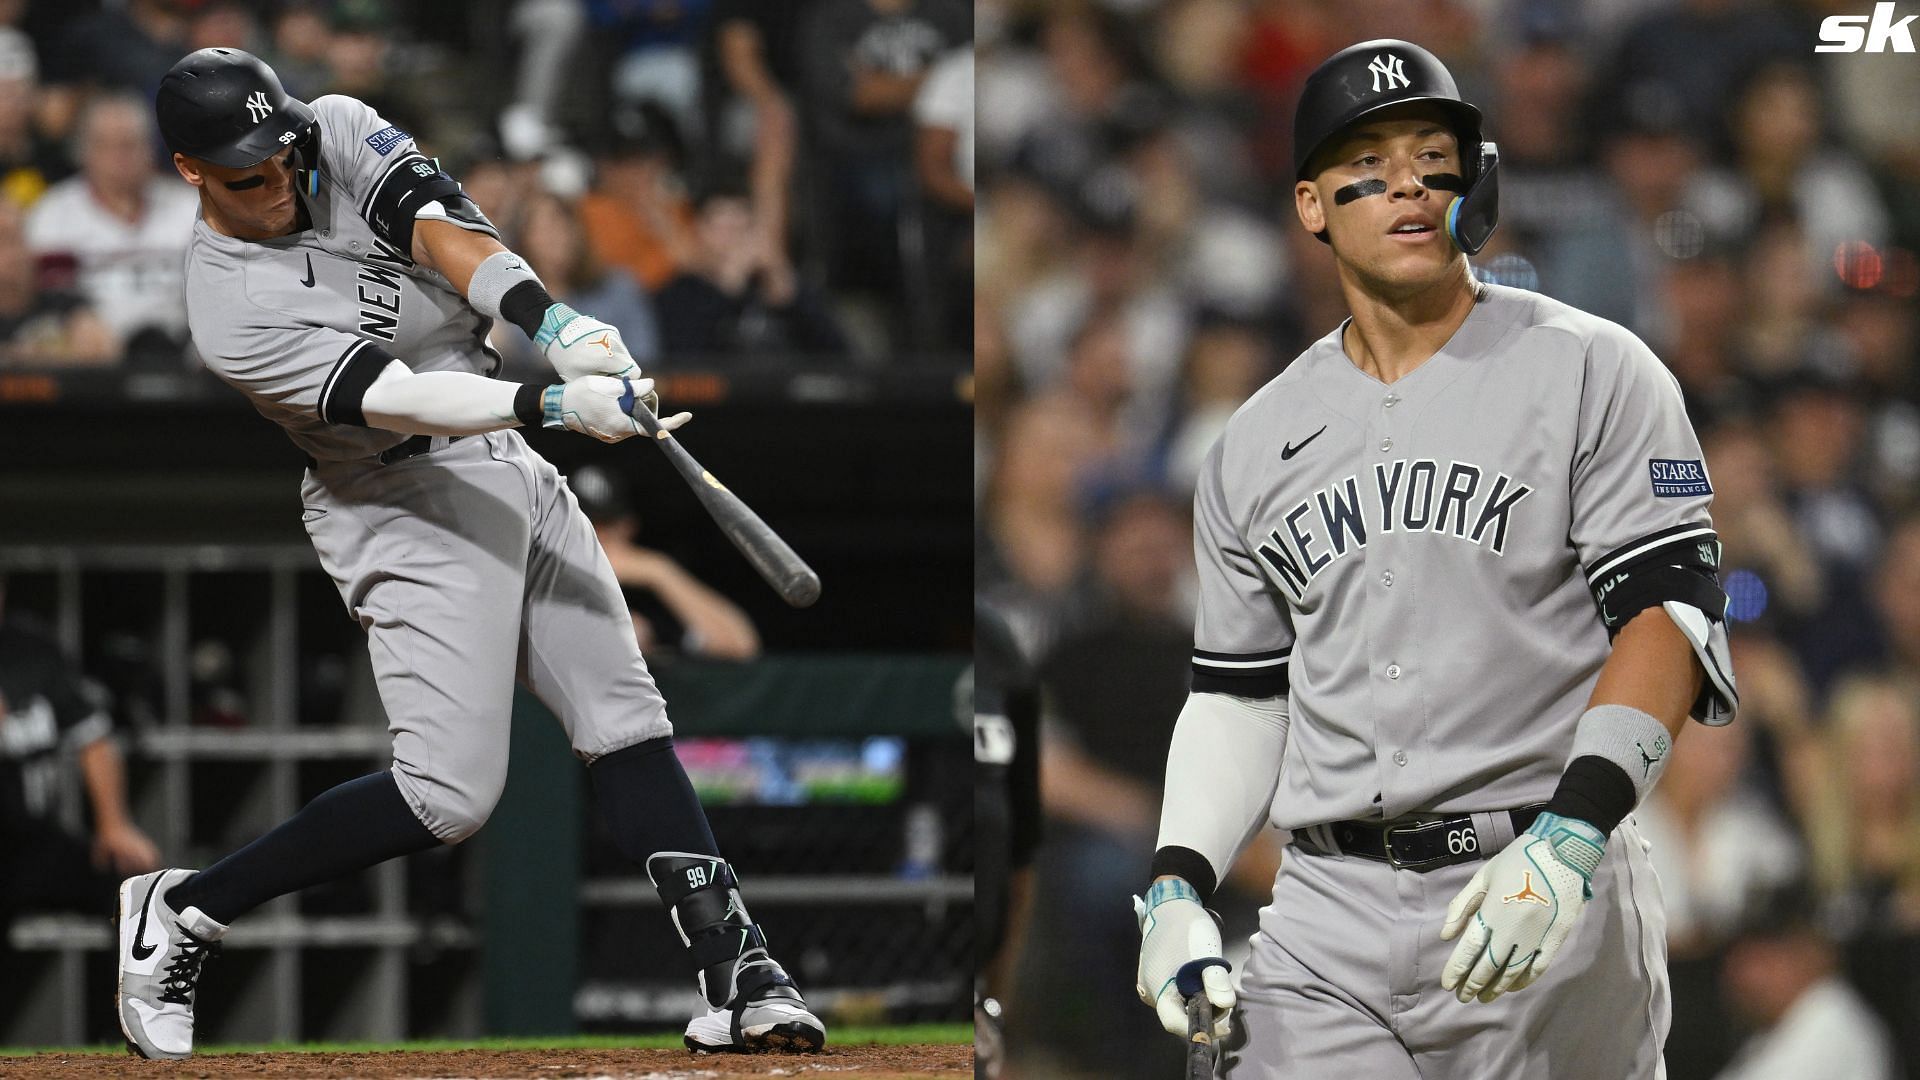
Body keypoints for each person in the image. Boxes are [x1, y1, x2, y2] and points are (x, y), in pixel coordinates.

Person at [114, 47, 824, 1061]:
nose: (275, 182)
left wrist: (557, 323)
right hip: (395, 496)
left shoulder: (340, 130)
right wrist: (551, 399)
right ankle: (185, 907)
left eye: (281, 156)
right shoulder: (230, 307)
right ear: (190, 170)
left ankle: (741, 971)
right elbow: (395, 397)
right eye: (245, 172)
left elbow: (447, 237)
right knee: (450, 797)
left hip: (501, 457)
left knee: (624, 715)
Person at [1134, 40, 1737, 1078]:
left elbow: (1670, 618)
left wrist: (1573, 839)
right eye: (1369, 160)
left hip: (1545, 883)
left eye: (1433, 153)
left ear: (1478, 180)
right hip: (1327, 912)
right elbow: (1239, 695)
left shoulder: (1595, 368)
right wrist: (1180, 880)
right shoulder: (1251, 441)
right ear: (1313, 206)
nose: (1408, 180)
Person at [24, 93, 197, 359]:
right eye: (105, 146)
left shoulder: (190, 208)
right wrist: (77, 317)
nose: (119, 158)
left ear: (149, 149)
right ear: (83, 151)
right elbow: (51, 292)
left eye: (129, 145)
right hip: (93, 356)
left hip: (183, 350)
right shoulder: (55, 212)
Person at [653, 179, 851, 362]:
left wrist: (792, 300)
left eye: (743, 228)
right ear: (699, 230)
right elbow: (685, 368)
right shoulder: (678, 294)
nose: (733, 241)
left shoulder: (772, 285)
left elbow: (841, 359)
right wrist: (727, 291)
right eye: (724, 229)